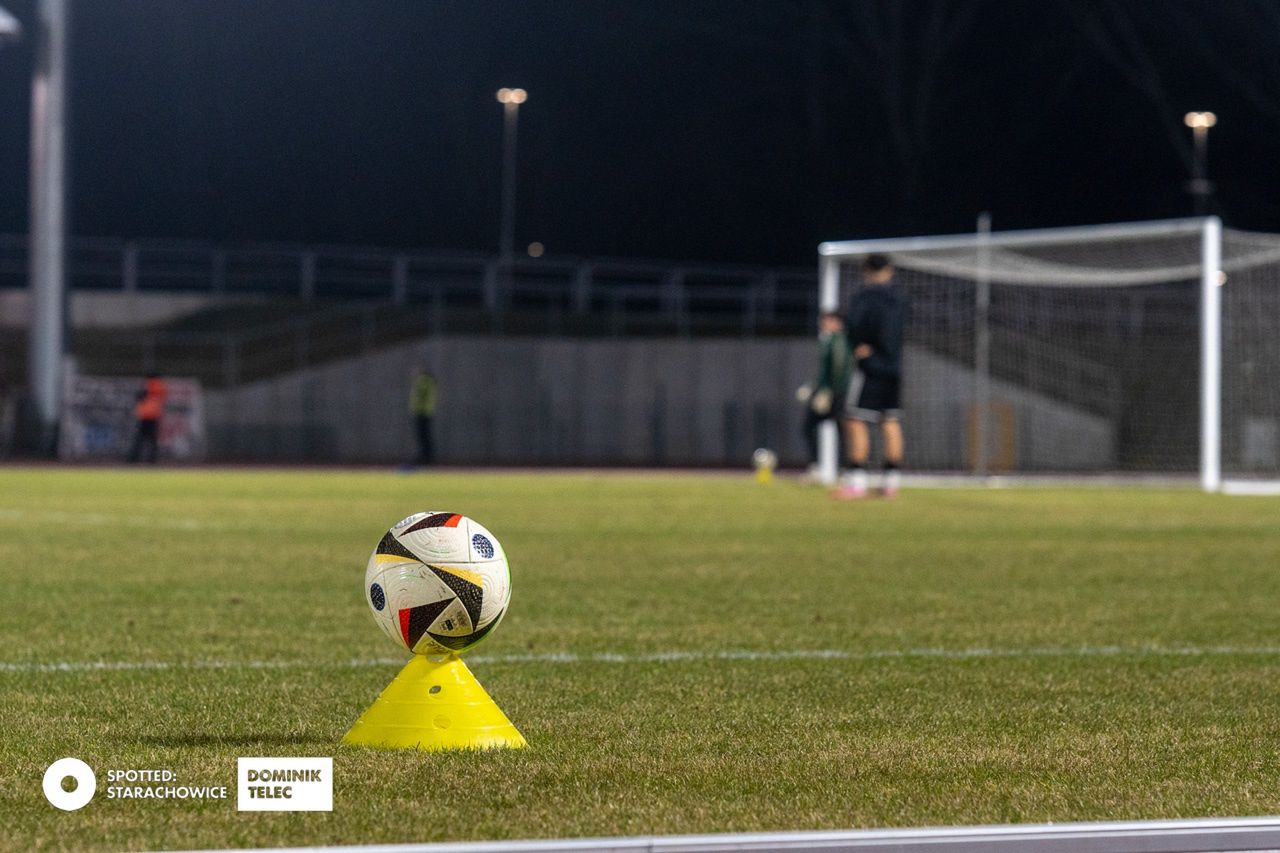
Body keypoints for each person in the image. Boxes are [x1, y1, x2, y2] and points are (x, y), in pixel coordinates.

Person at [835, 254, 909, 499]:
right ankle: (890, 482)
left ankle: (857, 483)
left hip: (871, 365)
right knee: (890, 420)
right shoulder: (900, 297)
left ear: (866, 270)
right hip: (894, 367)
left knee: (855, 419)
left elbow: (855, 325)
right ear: (890, 270)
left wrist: (860, 346)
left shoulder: (865, 296)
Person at [800, 311, 850, 480]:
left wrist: (828, 391)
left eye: (827, 321)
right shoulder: (828, 341)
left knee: (842, 430)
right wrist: (813, 387)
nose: (823, 324)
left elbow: (839, 369)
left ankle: (845, 469)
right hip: (829, 392)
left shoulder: (839, 340)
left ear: (838, 323)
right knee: (810, 426)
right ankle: (818, 466)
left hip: (837, 394)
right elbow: (825, 371)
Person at [127, 373, 168, 464]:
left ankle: (133, 458)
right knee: (152, 440)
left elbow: (139, 398)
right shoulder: (161, 387)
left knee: (139, 439)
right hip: (154, 415)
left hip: (144, 415)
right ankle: (152, 459)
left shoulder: (146, 386)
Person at [409, 366, 438, 465]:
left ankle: (425, 457)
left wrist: (417, 408)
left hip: (422, 412)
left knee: (423, 436)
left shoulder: (423, 381)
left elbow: (420, 396)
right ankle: (426, 456)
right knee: (424, 435)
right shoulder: (428, 381)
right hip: (425, 412)